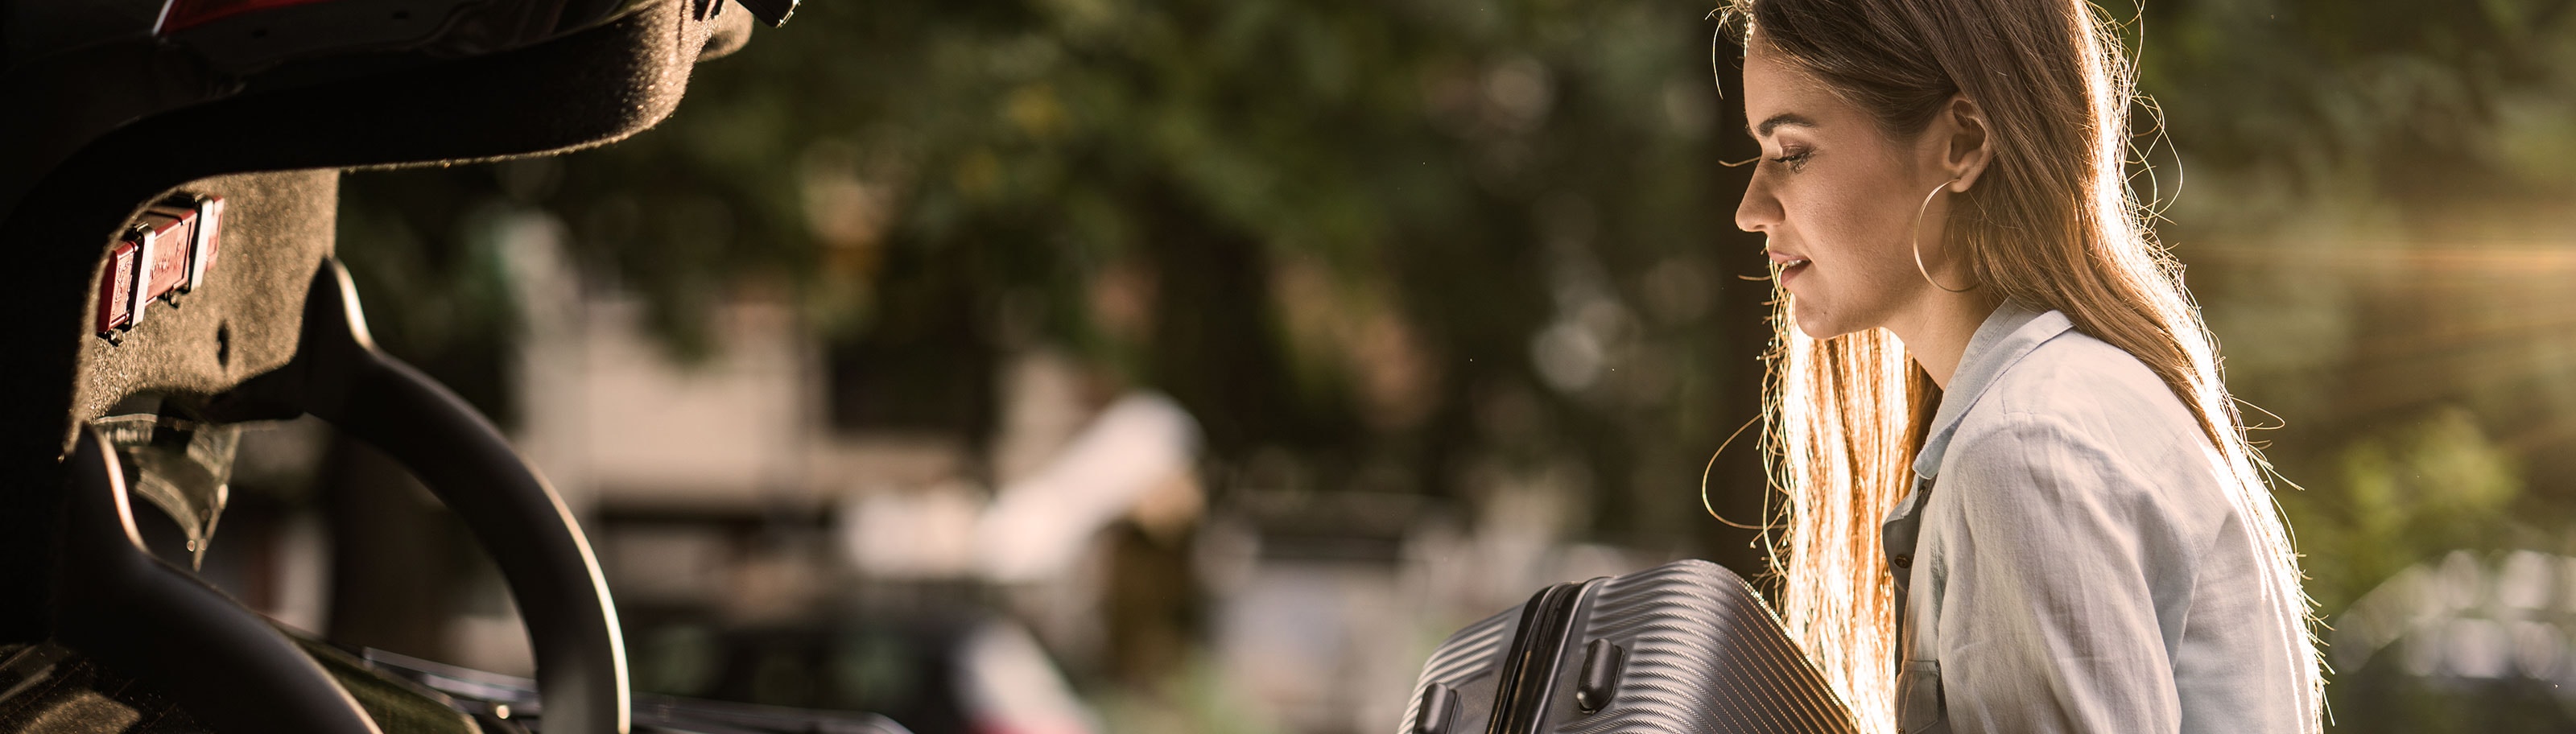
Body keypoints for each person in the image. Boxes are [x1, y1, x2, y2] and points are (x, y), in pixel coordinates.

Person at [1722, 0, 2322, 732]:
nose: (1750, 208)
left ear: (1963, 143)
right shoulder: (2070, 405)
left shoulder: (2023, 448)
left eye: (1791, 151)